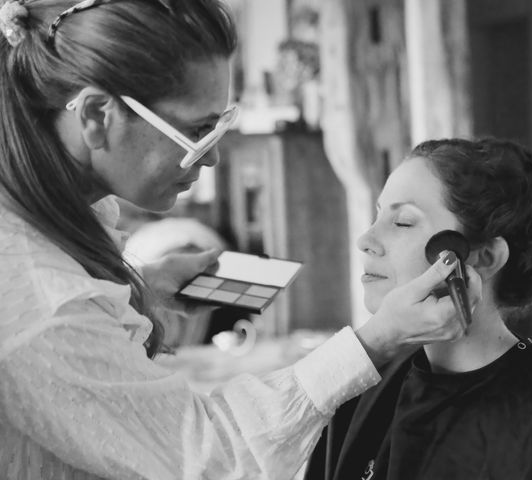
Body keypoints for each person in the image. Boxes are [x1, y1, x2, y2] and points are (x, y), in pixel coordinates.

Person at [0, 1, 480, 479]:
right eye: (195, 132)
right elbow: (209, 457)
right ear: (96, 116)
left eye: (219, 125)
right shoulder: (43, 299)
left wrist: (139, 289)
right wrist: (375, 341)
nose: (210, 160)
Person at [304, 138, 532, 480]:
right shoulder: (363, 383)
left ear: (484, 257)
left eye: (403, 221)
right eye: (378, 215)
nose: (366, 239)